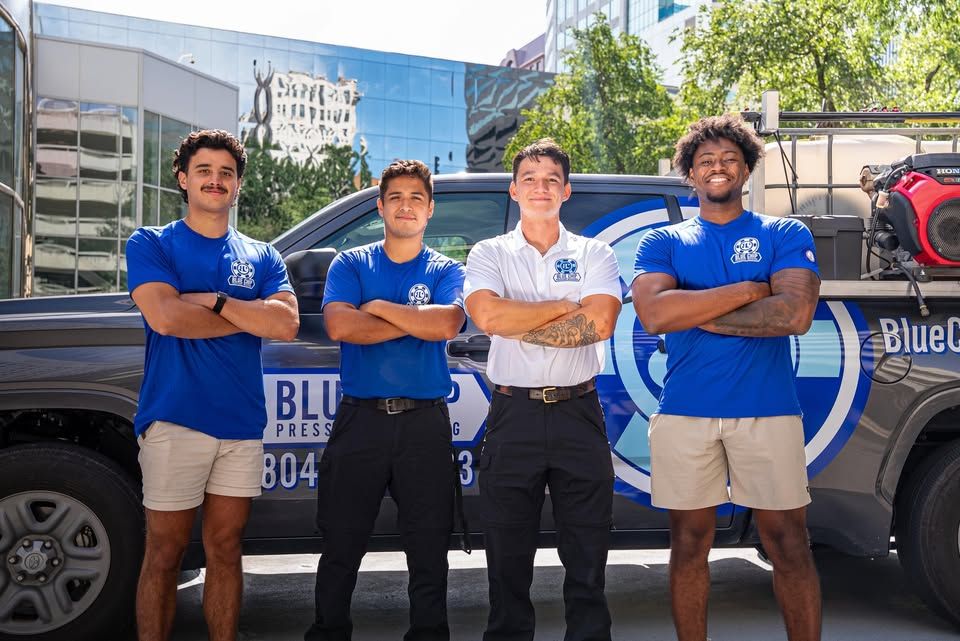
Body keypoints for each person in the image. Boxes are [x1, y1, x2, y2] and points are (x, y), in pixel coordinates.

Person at [631, 114, 822, 641]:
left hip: (769, 410)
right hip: (685, 412)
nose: (718, 167)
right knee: (689, 545)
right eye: (706, 161)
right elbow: (654, 315)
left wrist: (693, 308)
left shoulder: (783, 232)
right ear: (690, 173)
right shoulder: (663, 241)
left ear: (747, 168)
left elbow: (794, 314)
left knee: (788, 544)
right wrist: (750, 290)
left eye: (729, 159)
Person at [127, 129, 299, 641]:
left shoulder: (263, 254)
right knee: (165, 552)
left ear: (238, 184)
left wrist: (215, 301)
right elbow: (166, 317)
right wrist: (249, 317)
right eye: (204, 170)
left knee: (226, 548)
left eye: (226, 172)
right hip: (175, 418)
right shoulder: (152, 242)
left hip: (240, 424)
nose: (215, 180)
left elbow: (286, 324)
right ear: (183, 179)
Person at [463, 138, 622, 641]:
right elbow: (488, 316)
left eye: (552, 179)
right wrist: (563, 308)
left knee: (587, 557)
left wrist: (519, 322)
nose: (540, 187)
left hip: (579, 413)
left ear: (566, 191)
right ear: (513, 190)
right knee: (507, 560)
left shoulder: (595, 253)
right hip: (514, 415)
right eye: (529, 179)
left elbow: (599, 324)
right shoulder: (489, 253)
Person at [305, 159, 466, 641]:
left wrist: (375, 308)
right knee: (341, 542)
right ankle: (329, 631)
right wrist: (413, 320)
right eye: (395, 197)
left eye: (416, 198)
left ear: (430, 209)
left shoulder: (446, 268)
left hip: (424, 425)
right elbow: (340, 325)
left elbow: (446, 324)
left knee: (429, 546)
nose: (405, 206)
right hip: (362, 421)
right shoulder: (351, 263)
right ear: (380, 207)